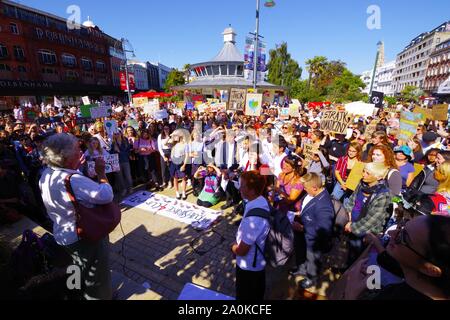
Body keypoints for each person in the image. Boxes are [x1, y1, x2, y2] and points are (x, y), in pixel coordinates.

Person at [39, 133, 114, 300]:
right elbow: (106, 195)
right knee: (96, 278)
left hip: (63, 234)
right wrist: (102, 173)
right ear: (66, 157)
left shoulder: (47, 174)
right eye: (76, 150)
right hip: (84, 236)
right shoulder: (74, 180)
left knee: (79, 271)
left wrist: (75, 168)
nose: (80, 151)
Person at [345, 215, 450, 300]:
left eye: (403, 237)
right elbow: (389, 261)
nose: (391, 233)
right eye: (402, 226)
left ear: (430, 269)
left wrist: (351, 294)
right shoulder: (415, 276)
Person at [290, 173, 334, 289]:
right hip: (303, 233)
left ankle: (311, 278)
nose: (304, 189)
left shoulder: (324, 205)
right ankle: (302, 270)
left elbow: (324, 230)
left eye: (305, 187)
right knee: (302, 253)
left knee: (312, 259)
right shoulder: (313, 194)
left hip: (312, 239)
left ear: (314, 187)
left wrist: (302, 228)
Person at [231, 171, 270, 300]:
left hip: (249, 267)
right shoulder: (261, 200)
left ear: (252, 191)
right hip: (257, 263)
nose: (239, 188)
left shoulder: (253, 219)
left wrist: (233, 248)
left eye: (242, 185)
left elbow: (242, 250)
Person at [344, 162, 392, 265]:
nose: (363, 175)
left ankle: (350, 274)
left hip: (365, 230)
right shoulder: (362, 183)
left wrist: (352, 227)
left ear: (378, 177)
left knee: (358, 255)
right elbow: (353, 199)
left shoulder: (383, 195)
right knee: (351, 249)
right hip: (352, 221)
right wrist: (348, 213)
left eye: (368, 173)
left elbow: (372, 219)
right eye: (364, 171)